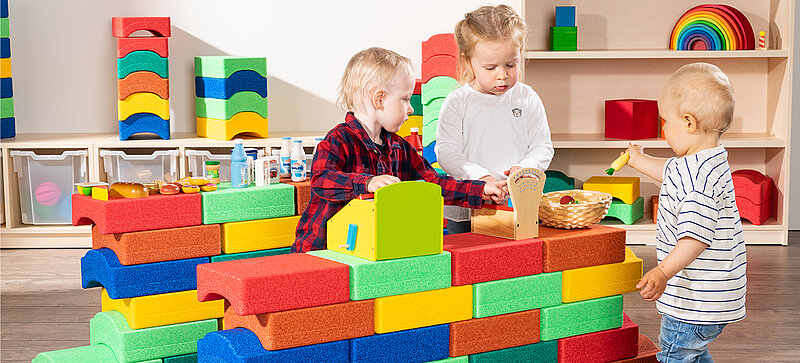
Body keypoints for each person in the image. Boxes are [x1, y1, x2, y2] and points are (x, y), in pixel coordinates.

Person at [291, 47, 508, 253]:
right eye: (405, 99)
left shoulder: (400, 147)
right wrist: (367, 182)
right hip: (321, 250)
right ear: (379, 99)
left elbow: (433, 185)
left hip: (370, 249)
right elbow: (321, 180)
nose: (411, 108)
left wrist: (481, 190)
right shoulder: (338, 140)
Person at [627, 62, 746, 362]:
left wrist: (663, 271)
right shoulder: (706, 159)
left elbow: (695, 238)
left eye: (665, 121)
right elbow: (669, 171)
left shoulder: (699, 183)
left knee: (674, 354)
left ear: (689, 123)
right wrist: (637, 159)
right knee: (692, 352)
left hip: (696, 301)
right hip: (710, 297)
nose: (663, 129)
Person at [436, 5, 554, 234]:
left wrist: (527, 168)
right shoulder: (457, 102)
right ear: (468, 62)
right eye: (490, 67)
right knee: (468, 263)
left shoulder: (527, 97)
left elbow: (542, 146)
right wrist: (481, 178)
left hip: (517, 205)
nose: (503, 74)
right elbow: (447, 153)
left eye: (511, 64)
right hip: (466, 208)